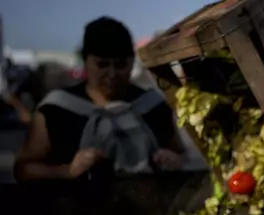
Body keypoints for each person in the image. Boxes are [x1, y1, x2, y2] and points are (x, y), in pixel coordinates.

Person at [14, 17, 185, 182]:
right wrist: (68, 171)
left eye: (120, 65)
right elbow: (23, 169)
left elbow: (179, 154)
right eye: (102, 65)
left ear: (132, 62)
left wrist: (173, 160)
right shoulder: (56, 110)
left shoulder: (153, 105)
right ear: (85, 61)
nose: (112, 74)